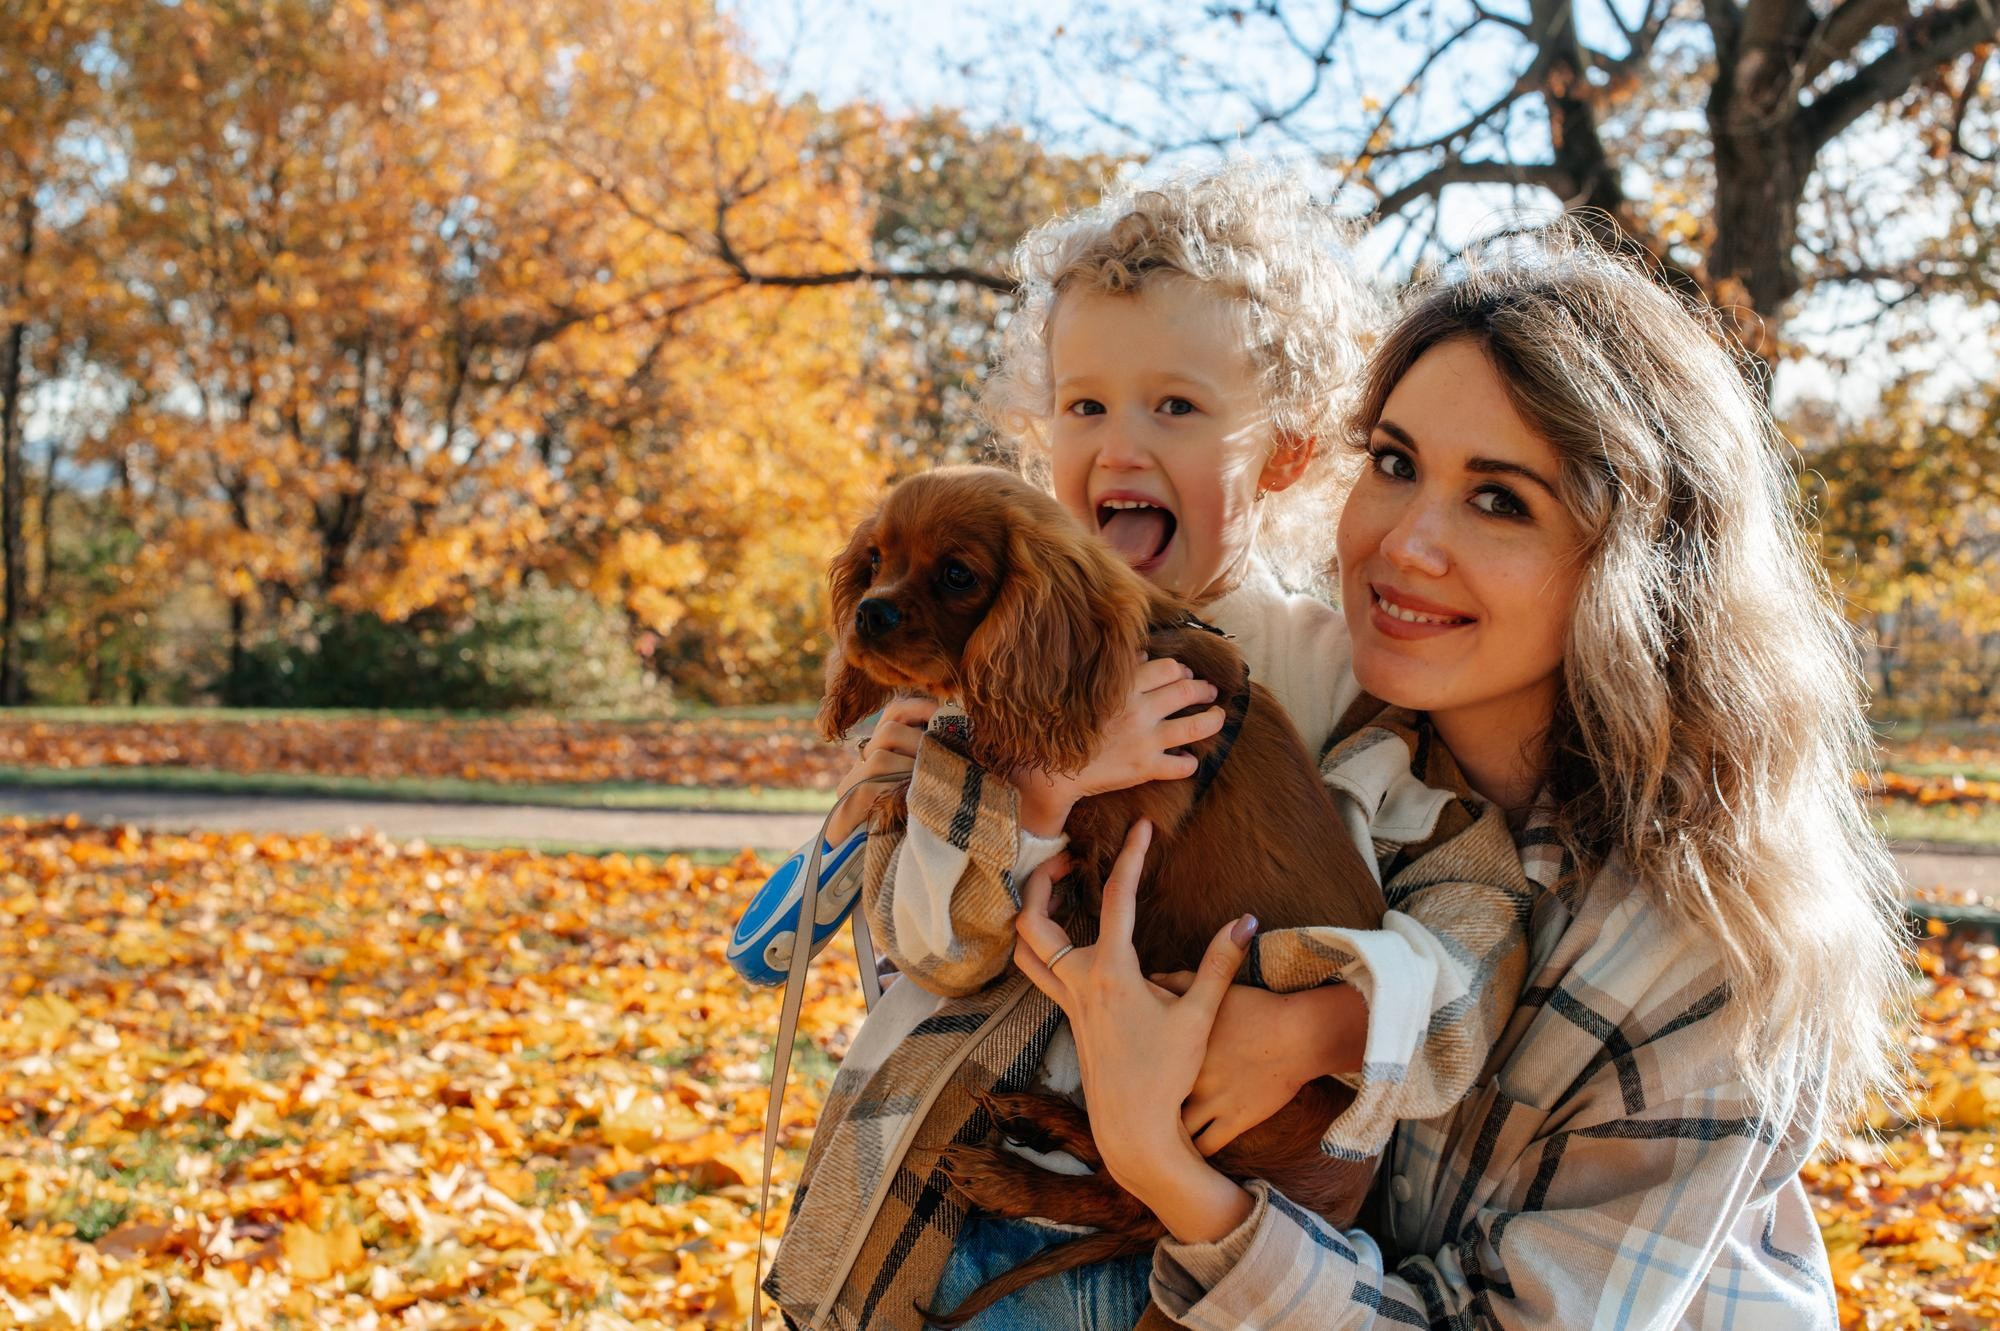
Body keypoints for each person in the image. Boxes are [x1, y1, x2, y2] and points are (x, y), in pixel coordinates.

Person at [1011, 224, 1913, 1328]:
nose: (1404, 543)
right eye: (1392, 464)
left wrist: (1173, 1176)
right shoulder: (1327, 754)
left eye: (1499, 500)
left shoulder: (1700, 954)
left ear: (1637, 562)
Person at [764, 165, 1541, 1331]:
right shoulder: (968, 677)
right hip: (964, 1210)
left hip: (1225, 1229)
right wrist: (1041, 784)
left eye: (1174, 407)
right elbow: (921, 944)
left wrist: (1323, 1026)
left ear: (1283, 450)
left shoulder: (1335, 669)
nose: (1119, 444)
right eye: (1083, 406)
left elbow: (1469, 899)